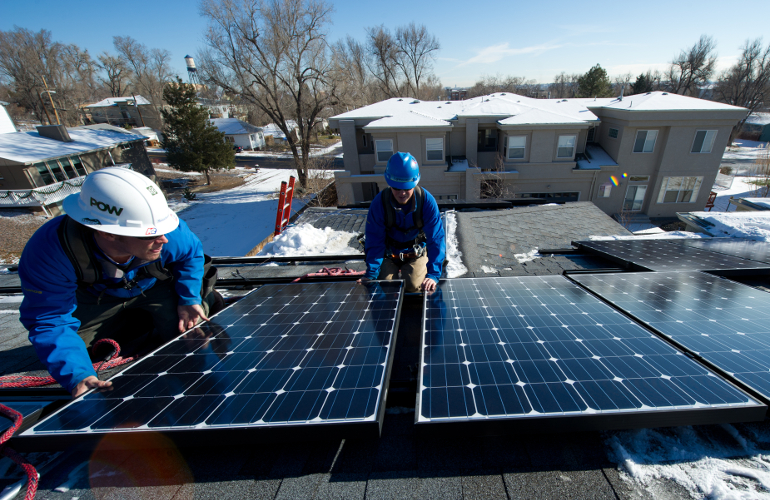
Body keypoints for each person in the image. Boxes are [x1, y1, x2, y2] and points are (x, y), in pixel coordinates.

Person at [19, 167, 217, 398]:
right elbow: (50, 319)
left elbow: (191, 256)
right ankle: (130, 324)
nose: (163, 239)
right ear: (108, 233)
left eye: (163, 231)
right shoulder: (51, 252)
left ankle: (153, 319)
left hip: (154, 286)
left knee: (188, 335)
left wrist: (189, 298)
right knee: (82, 353)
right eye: (149, 234)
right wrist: (78, 376)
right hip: (95, 297)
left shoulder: (170, 234)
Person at [361, 152, 445, 292]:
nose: (402, 193)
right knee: (386, 286)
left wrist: (433, 274)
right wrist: (371, 274)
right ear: (389, 183)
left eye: (407, 188)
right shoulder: (380, 204)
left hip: (415, 251)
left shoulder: (426, 202)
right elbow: (374, 241)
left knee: (414, 285)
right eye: (396, 188)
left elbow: (436, 239)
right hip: (388, 253)